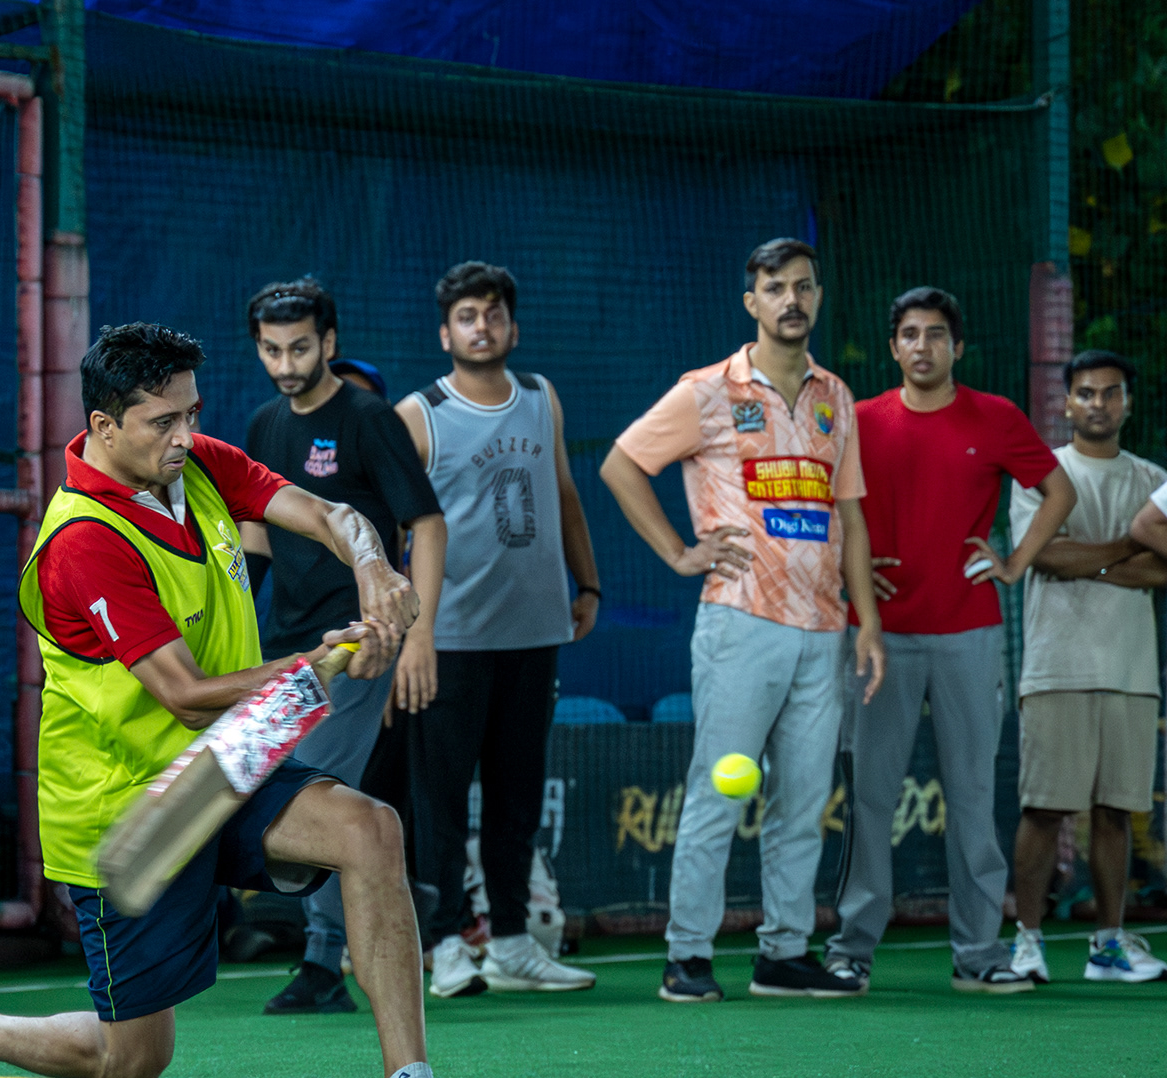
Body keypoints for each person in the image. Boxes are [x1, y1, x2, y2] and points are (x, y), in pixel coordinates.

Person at [0, 323, 496, 1078]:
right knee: (133, 1061)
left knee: (369, 828)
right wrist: (324, 661)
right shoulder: (84, 542)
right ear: (103, 426)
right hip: (128, 803)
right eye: (162, 420)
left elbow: (331, 514)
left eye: (191, 414)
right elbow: (186, 695)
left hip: (227, 767)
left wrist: (375, 568)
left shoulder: (197, 463)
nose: (184, 435)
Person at [600, 237, 885, 1003]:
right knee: (719, 791)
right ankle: (688, 957)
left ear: (817, 297)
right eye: (775, 287)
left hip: (824, 628)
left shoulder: (835, 396)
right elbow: (621, 464)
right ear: (751, 301)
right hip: (741, 620)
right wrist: (678, 551)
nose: (792, 299)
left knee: (803, 802)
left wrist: (866, 620)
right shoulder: (706, 391)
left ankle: (784, 953)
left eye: (804, 286)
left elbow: (850, 516)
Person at [822, 288, 1074, 995]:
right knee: (870, 799)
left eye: (936, 334)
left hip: (969, 633)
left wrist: (1013, 563)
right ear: (893, 347)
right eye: (910, 334)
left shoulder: (996, 417)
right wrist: (849, 570)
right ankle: (851, 949)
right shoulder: (859, 421)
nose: (923, 346)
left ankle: (979, 953)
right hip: (877, 638)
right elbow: (828, 510)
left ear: (957, 347)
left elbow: (1060, 493)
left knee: (971, 796)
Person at [393, 261, 600, 998]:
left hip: (534, 636)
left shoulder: (542, 397)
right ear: (444, 332)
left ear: (512, 325)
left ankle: (513, 942)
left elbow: (564, 493)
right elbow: (391, 532)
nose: (482, 326)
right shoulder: (418, 414)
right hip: (447, 643)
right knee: (440, 803)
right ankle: (445, 943)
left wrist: (588, 582)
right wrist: (406, 634)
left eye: (493, 313)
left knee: (517, 799)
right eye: (467, 316)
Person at [238, 278, 444, 1016]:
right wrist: (237, 633)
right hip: (287, 648)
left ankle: (324, 962)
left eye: (299, 348)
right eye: (271, 350)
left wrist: (417, 634)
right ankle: (401, 902)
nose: (285, 364)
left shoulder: (368, 418)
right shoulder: (264, 424)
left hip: (362, 644)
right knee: (295, 793)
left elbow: (426, 524)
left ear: (328, 342)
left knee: (313, 791)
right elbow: (257, 537)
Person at [1006, 350, 1167, 982]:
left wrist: (1087, 557)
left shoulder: (1153, 478)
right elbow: (1044, 556)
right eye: (1087, 393)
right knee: (1044, 811)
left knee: (1116, 814)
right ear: (1067, 403)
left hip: (1132, 671)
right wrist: (1131, 543)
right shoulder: (1040, 476)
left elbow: (1162, 570)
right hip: (1057, 667)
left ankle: (1108, 945)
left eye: (1111, 392)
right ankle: (1027, 941)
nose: (1099, 403)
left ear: (1128, 403)